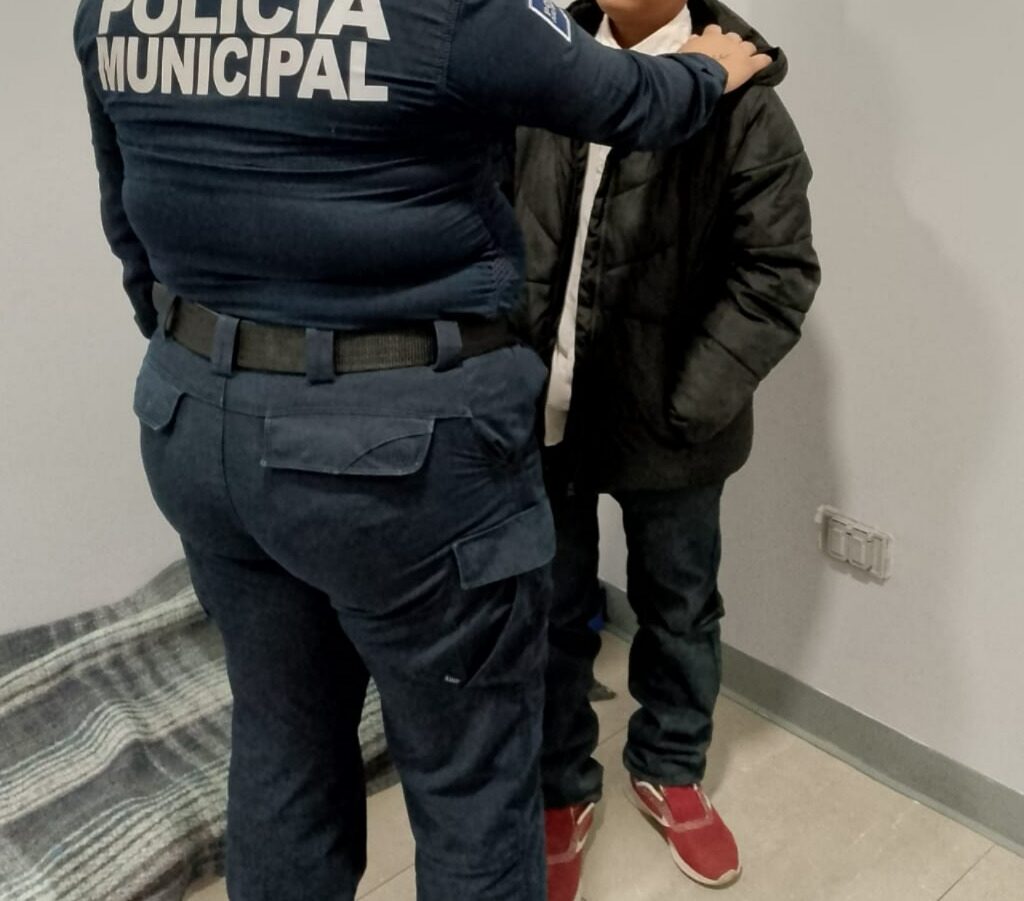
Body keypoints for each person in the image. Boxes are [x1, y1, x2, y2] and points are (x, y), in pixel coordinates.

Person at [73, 0, 770, 898]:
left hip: (197, 417)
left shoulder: (115, 7)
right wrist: (709, 67)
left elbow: (126, 221)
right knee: (471, 777)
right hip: (397, 452)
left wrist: (220, 368)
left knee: (282, 740)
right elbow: (629, 99)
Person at [514, 0, 821, 897]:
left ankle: (670, 763)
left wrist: (689, 404)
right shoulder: (546, 63)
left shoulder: (743, 100)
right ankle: (559, 783)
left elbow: (778, 273)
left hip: (672, 426)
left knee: (680, 606)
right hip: (540, 408)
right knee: (547, 603)